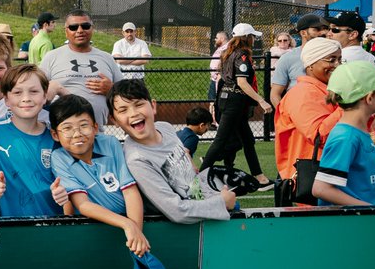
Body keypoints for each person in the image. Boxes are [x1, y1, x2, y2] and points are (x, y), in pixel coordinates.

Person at [108, 79, 236, 223]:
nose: (133, 113)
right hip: (182, 229)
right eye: (123, 110)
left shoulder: (165, 127)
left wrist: (214, 193)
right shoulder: (137, 159)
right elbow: (177, 211)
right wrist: (220, 203)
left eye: (138, 104)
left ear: (153, 106)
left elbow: (188, 179)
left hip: (202, 201)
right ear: (115, 120)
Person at [49, 94, 149, 256]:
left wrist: (136, 232)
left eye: (84, 125)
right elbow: (82, 205)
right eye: (67, 128)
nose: (77, 134)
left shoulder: (110, 143)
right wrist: (127, 225)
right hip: (98, 228)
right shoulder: (59, 158)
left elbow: (130, 191)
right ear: (55, 135)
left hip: (134, 221)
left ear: (95, 127)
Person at [313, 61, 375, 207]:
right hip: (359, 225)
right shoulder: (346, 137)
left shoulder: (359, 132)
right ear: (370, 97)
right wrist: (370, 209)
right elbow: (321, 189)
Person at [0, 65, 68, 218]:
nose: (26, 98)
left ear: (44, 97)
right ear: (6, 100)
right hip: (8, 227)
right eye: (17, 92)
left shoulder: (57, 137)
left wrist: (65, 192)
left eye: (34, 91)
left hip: (51, 225)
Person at [198, 24, 274, 188]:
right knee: (220, 140)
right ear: (246, 38)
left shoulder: (228, 53)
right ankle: (200, 179)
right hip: (235, 101)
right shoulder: (242, 55)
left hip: (228, 99)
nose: (254, 40)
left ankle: (260, 177)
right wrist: (261, 100)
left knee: (247, 140)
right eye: (252, 36)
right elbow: (242, 82)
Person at [274, 37, 343, 185]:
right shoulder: (303, 93)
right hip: (317, 179)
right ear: (311, 64)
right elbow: (320, 136)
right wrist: (350, 107)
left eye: (340, 60)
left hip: (332, 173)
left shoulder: (328, 89)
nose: (337, 65)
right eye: (331, 60)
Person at [39, 9, 122, 126]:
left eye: (85, 26)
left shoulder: (107, 58)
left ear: (92, 28)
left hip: (97, 132)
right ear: (66, 31)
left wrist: (112, 89)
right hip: (61, 133)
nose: (80, 31)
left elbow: (127, 93)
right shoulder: (52, 57)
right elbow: (36, 88)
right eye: (73, 27)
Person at [269, 14, 329, 106]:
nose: (323, 32)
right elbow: (275, 94)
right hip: (298, 111)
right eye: (317, 29)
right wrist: (284, 116)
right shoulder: (288, 58)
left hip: (328, 113)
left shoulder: (334, 56)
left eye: (325, 28)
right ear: (303, 33)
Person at [208, 30, 229, 105]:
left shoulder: (227, 48)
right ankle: (212, 114)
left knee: (217, 102)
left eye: (217, 38)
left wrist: (218, 73)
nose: (215, 39)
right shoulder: (221, 47)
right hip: (214, 78)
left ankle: (215, 114)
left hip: (220, 79)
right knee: (212, 102)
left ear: (222, 39)